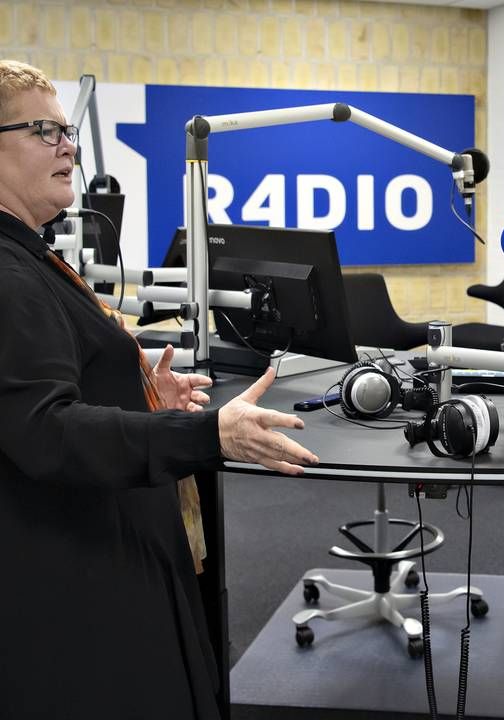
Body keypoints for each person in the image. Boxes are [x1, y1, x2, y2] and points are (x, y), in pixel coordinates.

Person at [0, 59, 320, 719]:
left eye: (68, 132)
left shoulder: (30, 256)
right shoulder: (7, 277)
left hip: (97, 556)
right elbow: (47, 433)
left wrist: (139, 397)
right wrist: (207, 433)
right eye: (44, 131)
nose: (69, 147)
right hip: (79, 593)